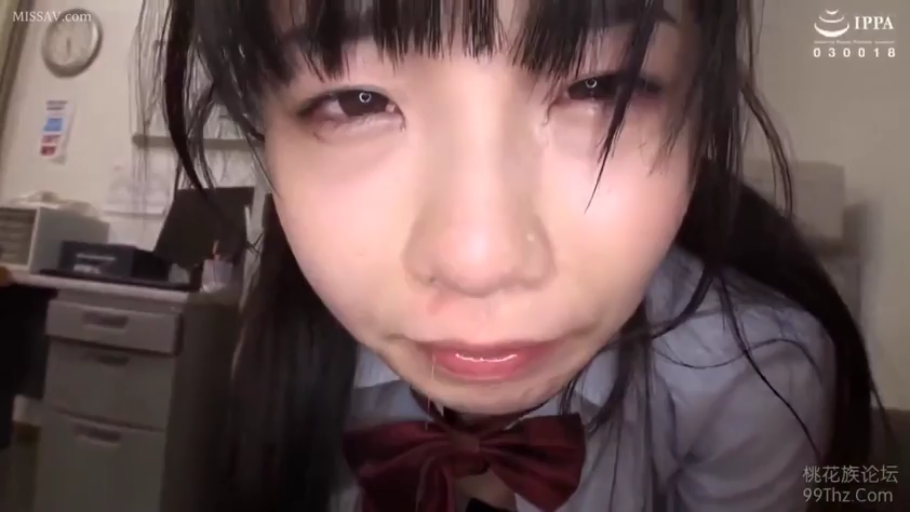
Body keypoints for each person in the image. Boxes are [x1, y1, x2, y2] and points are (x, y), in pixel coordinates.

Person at [145, 0, 887, 510]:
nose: (479, 262)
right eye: (357, 100)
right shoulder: (281, 342)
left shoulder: (756, 373)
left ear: (700, 113)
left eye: (601, 86)